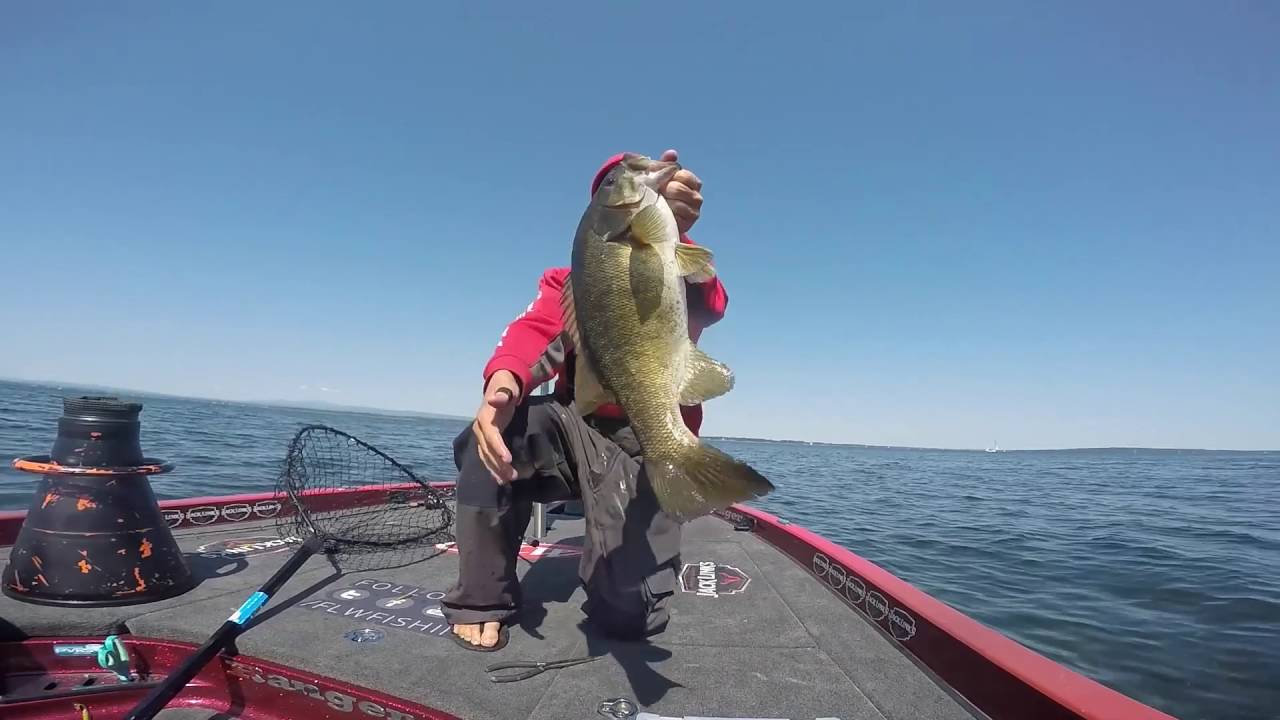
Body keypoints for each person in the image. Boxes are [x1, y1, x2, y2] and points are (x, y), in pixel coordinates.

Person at [441, 149, 727, 651]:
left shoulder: (674, 256)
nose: (636, 182)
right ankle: (481, 599)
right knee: (489, 436)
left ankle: (631, 541)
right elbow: (535, 329)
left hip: (646, 434)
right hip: (575, 421)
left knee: (628, 615)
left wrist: (677, 234)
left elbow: (710, 302)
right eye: (614, 184)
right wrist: (502, 387)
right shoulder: (569, 278)